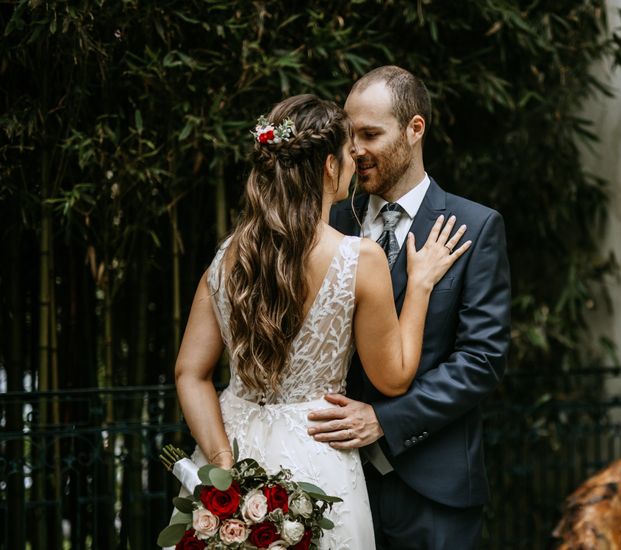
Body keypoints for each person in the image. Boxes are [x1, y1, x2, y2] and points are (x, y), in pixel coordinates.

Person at [173, 94, 471, 549]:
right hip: (316, 456)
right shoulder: (357, 258)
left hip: (232, 446)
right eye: (350, 154)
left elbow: (190, 374)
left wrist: (222, 464)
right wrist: (420, 286)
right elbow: (393, 378)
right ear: (330, 166)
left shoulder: (230, 254)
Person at [313, 66, 512, 549]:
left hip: (434, 490)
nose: (354, 149)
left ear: (414, 129)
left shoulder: (474, 226)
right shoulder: (332, 222)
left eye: (370, 134)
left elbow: (481, 361)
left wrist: (385, 419)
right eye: (349, 136)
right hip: (334, 483)